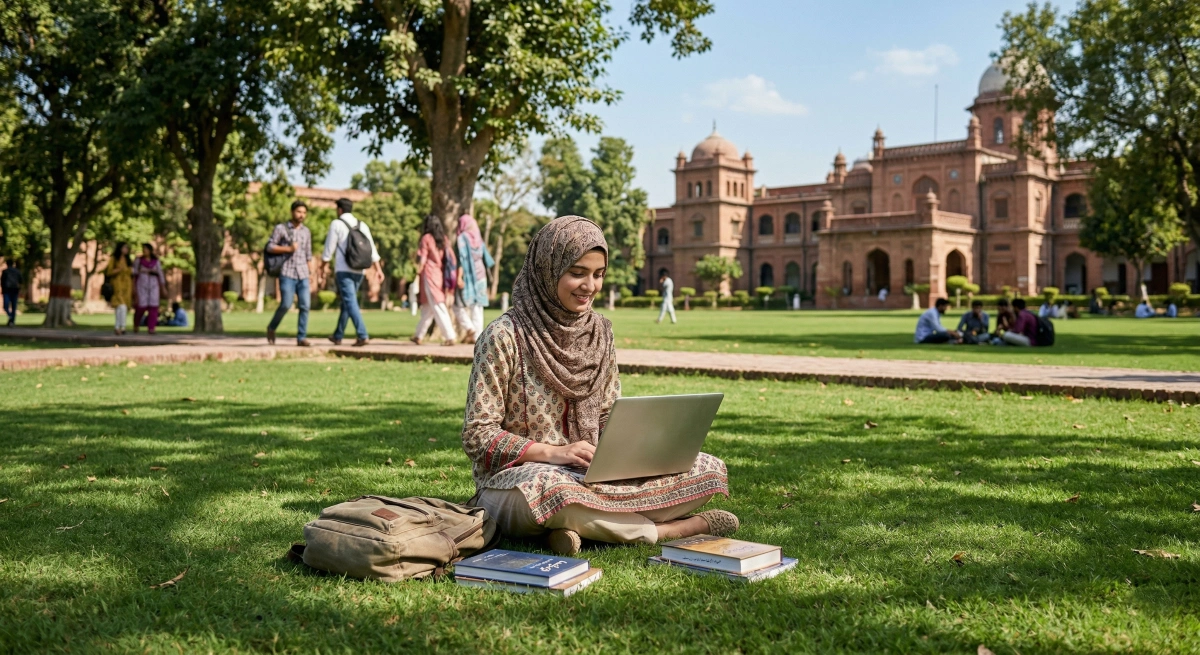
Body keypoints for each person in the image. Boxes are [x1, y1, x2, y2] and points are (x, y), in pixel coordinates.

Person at [462, 215, 735, 556]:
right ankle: (667, 529)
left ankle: (578, 529)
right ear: (548, 269)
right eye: (577, 272)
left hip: (589, 475)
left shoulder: (599, 333)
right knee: (552, 492)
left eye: (598, 274)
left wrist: (633, 451)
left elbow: (606, 412)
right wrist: (553, 453)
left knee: (706, 469)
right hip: (519, 481)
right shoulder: (504, 335)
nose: (589, 285)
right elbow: (478, 434)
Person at [321, 198, 382, 346]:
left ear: (339, 209)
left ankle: (362, 334)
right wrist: (378, 269)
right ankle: (338, 335)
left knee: (350, 301)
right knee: (347, 302)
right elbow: (372, 249)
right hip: (359, 269)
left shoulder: (337, 224)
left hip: (344, 269)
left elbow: (329, 248)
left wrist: (323, 266)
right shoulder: (362, 225)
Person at [266, 200, 314, 346]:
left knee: (305, 305)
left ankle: (301, 337)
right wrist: (288, 249)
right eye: (299, 212)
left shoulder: (306, 232)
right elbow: (270, 247)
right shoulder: (281, 229)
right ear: (292, 212)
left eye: (304, 213)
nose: (301, 215)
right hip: (287, 272)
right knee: (286, 304)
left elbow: (308, 253)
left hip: (303, 273)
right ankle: (272, 327)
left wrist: (311, 271)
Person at [411, 214, 458, 345]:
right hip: (440, 274)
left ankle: (450, 336)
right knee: (428, 307)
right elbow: (451, 259)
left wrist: (416, 271)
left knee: (438, 305)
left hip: (429, 274)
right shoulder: (444, 239)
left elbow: (422, 258)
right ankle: (418, 335)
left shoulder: (426, 238)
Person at [454, 214, 494, 343]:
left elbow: (461, 260)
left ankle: (470, 328)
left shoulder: (461, 239)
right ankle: (477, 335)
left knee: (457, 305)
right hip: (481, 275)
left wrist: (459, 276)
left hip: (467, 276)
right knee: (477, 306)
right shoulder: (478, 238)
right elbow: (487, 259)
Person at [132, 243, 167, 334]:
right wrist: (133, 288)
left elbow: (160, 274)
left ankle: (151, 328)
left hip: (153, 286)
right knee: (141, 307)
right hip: (141, 285)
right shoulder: (139, 261)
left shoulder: (156, 261)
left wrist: (163, 287)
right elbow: (134, 274)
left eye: (146, 249)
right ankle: (136, 324)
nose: (144, 251)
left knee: (153, 307)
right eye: (143, 249)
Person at [104, 243, 133, 335]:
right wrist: (118, 270)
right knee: (121, 306)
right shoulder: (114, 259)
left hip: (127, 285)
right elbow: (108, 272)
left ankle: (119, 327)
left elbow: (131, 271)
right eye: (125, 247)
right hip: (117, 285)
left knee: (122, 307)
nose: (126, 249)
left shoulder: (128, 260)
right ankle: (121, 327)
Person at [2, 260, 23, 326]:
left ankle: (11, 319)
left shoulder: (5, 272)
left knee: (6, 306)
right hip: (14, 290)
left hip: (7, 291)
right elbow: (21, 281)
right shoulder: (17, 271)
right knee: (13, 307)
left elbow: (2, 282)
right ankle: (12, 320)